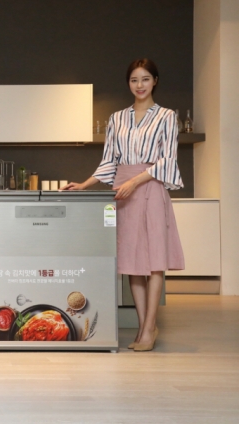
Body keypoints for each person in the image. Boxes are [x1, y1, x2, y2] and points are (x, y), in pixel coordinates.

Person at [62, 58, 184, 352]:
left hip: (150, 187)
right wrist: (85, 184)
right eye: (134, 80)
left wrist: (135, 181)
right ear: (128, 83)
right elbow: (109, 161)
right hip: (124, 192)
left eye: (145, 79)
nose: (139, 85)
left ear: (155, 81)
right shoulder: (117, 119)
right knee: (132, 263)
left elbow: (167, 160)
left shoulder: (167, 116)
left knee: (154, 262)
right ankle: (144, 326)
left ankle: (148, 328)